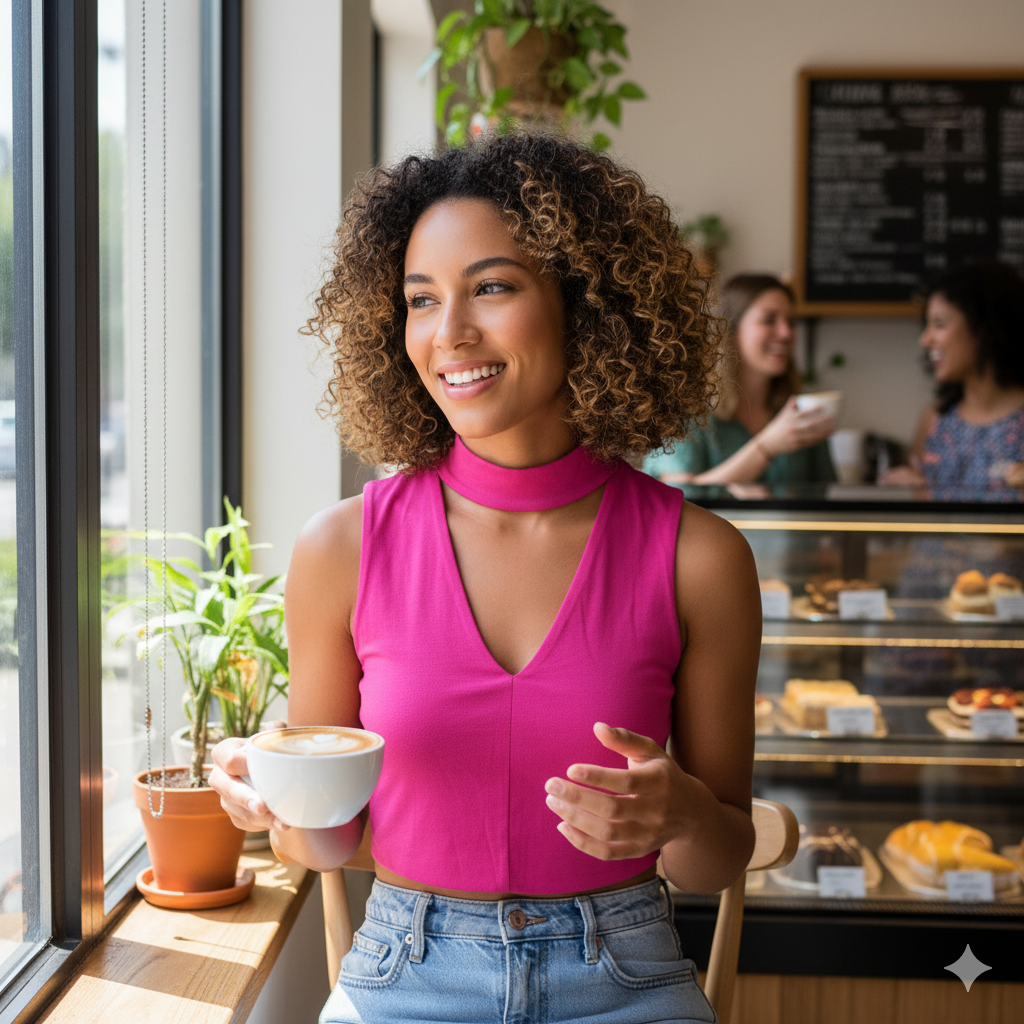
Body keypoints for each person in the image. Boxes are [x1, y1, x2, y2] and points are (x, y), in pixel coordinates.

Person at [210, 132, 760, 1024]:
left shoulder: (699, 557)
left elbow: (719, 855)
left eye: (492, 287)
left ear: (586, 305)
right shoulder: (340, 549)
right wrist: (271, 797)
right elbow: (324, 842)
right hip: (405, 969)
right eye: (420, 300)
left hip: (625, 972)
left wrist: (685, 814)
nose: (449, 334)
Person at [644, 274, 836, 486]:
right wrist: (767, 446)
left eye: (791, 322)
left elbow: (828, 495)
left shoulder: (802, 412)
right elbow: (676, 497)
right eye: (769, 320)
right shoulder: (687, 412)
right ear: (731, 330)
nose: (786, 333)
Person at [880, 262, 1024, 500]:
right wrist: (908, 489)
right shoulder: (934, 419)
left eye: (939, 324)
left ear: (983, 327)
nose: (925, 340)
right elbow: (923, 514)